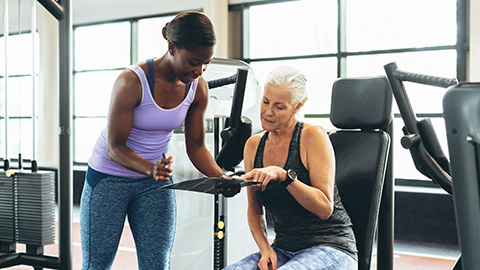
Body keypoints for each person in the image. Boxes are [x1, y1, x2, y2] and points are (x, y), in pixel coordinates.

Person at [80, 11, 237, 270]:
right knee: (96, 265)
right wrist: (150, 168)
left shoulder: (198, 87)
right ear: (172, 48)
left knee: (157, 264)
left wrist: (221, 177)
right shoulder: (131, 81)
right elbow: (115, 148)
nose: (199, 71)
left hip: (155, 184)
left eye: (205, 64)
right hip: (109, 179)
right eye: (194, 61)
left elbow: (196, 147)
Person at [223, 66, 358, 270]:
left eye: (279, 107)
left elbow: (324, 208)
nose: (268, 112)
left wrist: (285, 176)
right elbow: (254, 210)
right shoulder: (253, 145)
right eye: (265, 102)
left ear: (297, 106)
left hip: (332, 246)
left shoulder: (313, 137)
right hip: (283, 249)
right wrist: (265, 249)